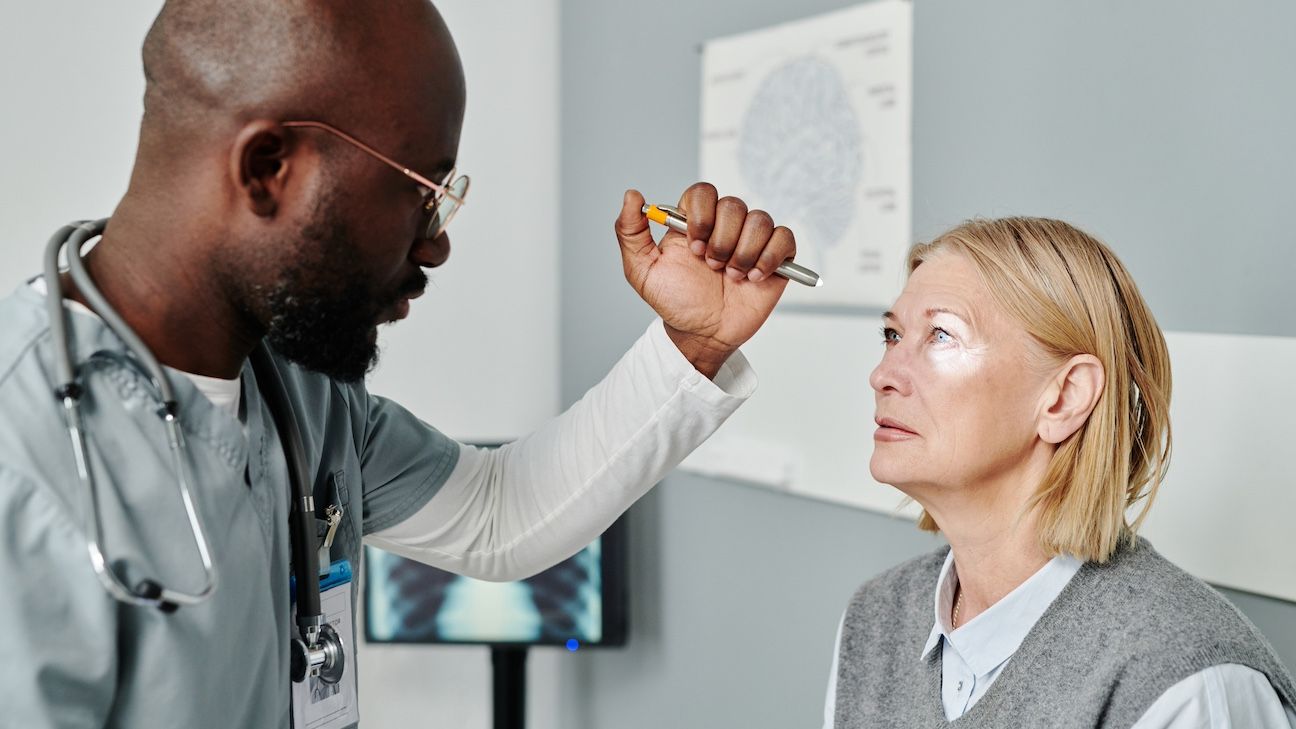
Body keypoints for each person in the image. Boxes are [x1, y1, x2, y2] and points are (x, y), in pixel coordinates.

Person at [0, 1, 801, 727]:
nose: (436, 242)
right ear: (266, 169)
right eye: (420, 190)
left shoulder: (299, 389)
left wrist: (694, 341)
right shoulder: (22, 465)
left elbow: (500, 514)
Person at [823, 217, 1296, 727]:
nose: (882, 374)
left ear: (1065, 398)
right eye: (892, 334)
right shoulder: (875, 620)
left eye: (941, 335)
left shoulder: (1190, 683)